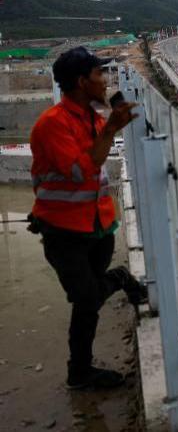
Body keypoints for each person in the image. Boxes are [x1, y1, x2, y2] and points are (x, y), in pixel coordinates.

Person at [28, 47, 147, 390]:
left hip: (98, 227)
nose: (105, 81)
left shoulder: (92, 120)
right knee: (85, 298)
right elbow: (81, 171)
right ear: (82, 82)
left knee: (88, 304)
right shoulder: (52, 125)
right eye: (99, 75)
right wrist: (110, 130)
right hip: (64, 232)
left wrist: (108, 126)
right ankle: (80, 370)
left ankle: (80, 371)